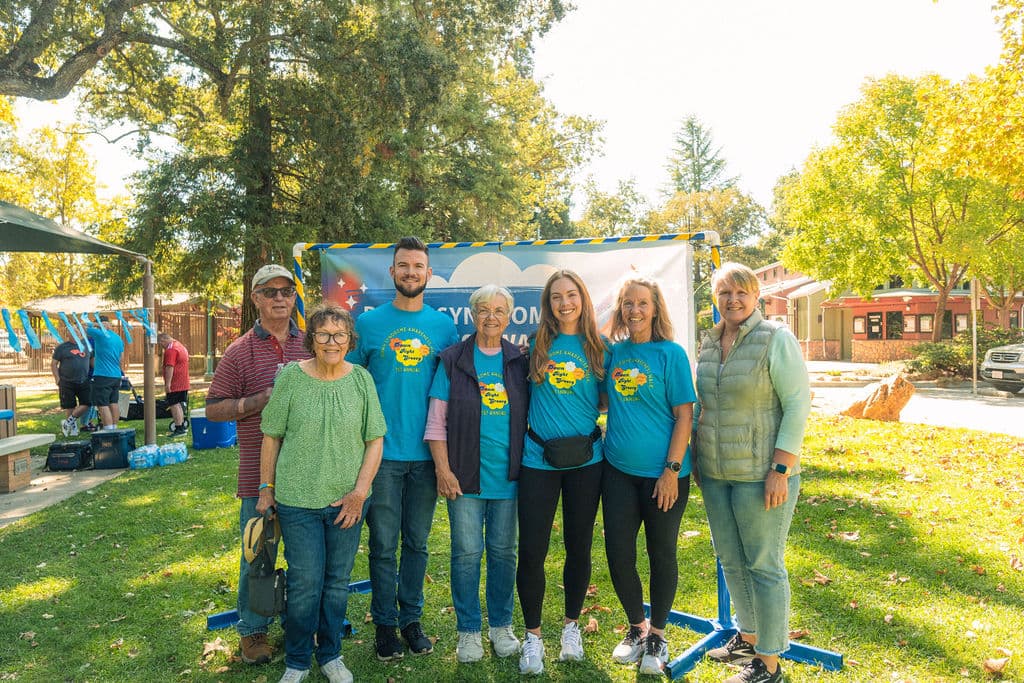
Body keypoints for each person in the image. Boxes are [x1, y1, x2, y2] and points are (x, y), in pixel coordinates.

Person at [256, 304, 386, 683]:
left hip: (348, 502)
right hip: (297, 501)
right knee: (305, 584)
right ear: (311, 339)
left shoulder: (361, 380)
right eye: (324, 334)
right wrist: (266, 489)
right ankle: (297, 660)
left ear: (350, 340)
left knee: (336, 583)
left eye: (340, 334)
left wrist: (359, 493)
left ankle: (331, 655)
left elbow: (375, 440)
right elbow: (271, 436)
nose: (332, 342)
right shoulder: (291, 378)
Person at [695, 262, 810, 683]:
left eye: (741, 292)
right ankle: (747, 637)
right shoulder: (710, 342)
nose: (733, 300)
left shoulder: (775, 338)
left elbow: (797, 404)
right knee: (731, 559)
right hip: (716, 473)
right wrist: (696, 458)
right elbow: (704, 405)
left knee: (764, 565)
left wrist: (781, 468)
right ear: (715, 298)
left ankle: (769, 662)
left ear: (756, 296)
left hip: (762, 474)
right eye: (725, 292)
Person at [347, 236, 458, 661]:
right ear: (392, 272)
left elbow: (453, 392)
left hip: (428, 457)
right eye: (403, 265)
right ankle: (385, 625)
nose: (411, 272)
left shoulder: (443, 328)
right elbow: (349, 385)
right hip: (381, 457)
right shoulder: (369, 325)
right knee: (382, 545)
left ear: (429, 274)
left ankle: (411, 620)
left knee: (417, 543)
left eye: (418, 266)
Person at [206, 264, 312, 665]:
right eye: (270, 292)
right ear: (256, 299)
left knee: (305, 559)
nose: (280, 298)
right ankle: (253, 631)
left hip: (307, 472)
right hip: (257, 475)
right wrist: (257, 401)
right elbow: (213, 408)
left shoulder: (311, 343)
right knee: (258, 555)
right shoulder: (240, 351)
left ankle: (300, 624)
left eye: (287, 291)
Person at [424, 285, 527, 665]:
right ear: (472, 315)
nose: (491, 317)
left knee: (504, 554)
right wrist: (443, 470)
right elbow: (436, 423)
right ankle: (468, 631)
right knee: (467, 555)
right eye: (484, 310)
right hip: (464, 478)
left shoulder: (519, 361)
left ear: (509, 317)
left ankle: (501, 626)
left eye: (499, 310)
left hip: (509, 478)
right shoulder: (453, 360)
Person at [602, 277, 696, 676]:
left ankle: (658, 634)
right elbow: (599, 398)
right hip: (617, 472)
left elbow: (684, 416)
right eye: (628, 303)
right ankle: (637, 628)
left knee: (661, 553)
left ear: (656, 308)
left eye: (642, 303)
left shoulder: (671, 354)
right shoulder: (614, 353)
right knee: (618, 553)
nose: (635, 310)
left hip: (664, 475)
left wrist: (670, 471)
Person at [516, 270, 608, 675]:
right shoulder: (534, 345)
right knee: (532, 550)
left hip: (586, 461)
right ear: (547, 304)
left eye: (571, 295)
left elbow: (608, 399)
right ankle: (533, 637)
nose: (565, 303)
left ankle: (571, 628)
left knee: (579, 546)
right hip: (538, 461)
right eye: (556, 297)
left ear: (583, 298)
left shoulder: (600, 348)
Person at [85, 316, 125, 429]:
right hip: (116, 375)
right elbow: (121, 358)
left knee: (102, 404)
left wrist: (97, 325)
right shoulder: (118, 338)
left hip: (102, 375)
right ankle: (114, 427)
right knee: (113, 402)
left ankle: (108, 429)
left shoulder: (100, 334)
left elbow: (83, 327)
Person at [51, 338, 91, 437]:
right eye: (72, 331)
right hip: (66, 381)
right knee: (70, 406)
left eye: (77, 331)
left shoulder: (87, 346)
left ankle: (67, 422)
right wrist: (57, 378)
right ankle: (73, 428)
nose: (75, 334)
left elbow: (92, 360)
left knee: (88, 402)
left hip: (84, 380)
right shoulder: (62, 347)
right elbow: (53, 364)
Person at [157, 332, 191, 436]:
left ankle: (179, 428)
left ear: (163, 340)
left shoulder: (171, 350)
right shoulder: (180, 346)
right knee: (178, 404)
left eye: (160, 344)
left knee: (174, 404)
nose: (161, 347)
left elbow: (169, 367)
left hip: (175, 383)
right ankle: (181, 426)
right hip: (183, 382)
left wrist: (168, 384)